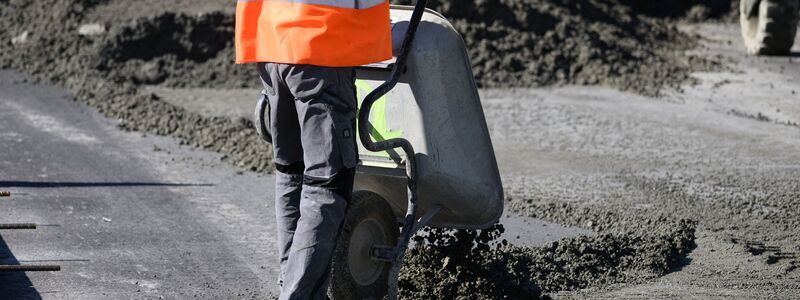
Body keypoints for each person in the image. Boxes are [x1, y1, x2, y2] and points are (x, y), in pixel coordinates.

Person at [234, 0, 393, 299]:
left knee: (291, 171)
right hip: (321, 45)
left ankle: (291, 284)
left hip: (273, 41)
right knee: (327, 186)